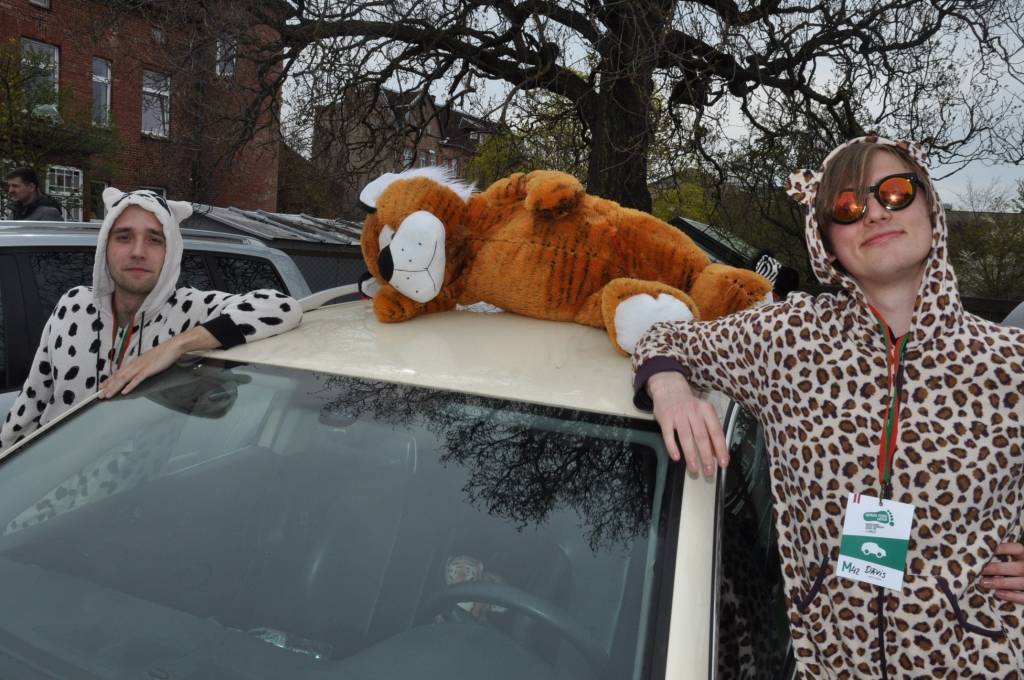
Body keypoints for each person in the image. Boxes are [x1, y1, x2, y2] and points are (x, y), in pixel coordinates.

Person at [631, 136, 1024, 677]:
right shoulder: (790, 339)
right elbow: (662, 337)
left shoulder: (1009, 364)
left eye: (895, 192)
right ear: (826, 241)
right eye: (848, 206)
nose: (875, 213)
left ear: (931, 207)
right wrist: (670, 388)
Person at [0, 187, 302, 451]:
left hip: (127, 493)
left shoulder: (189, 310)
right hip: (43, 483)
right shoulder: (74, 304)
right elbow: (28, 407)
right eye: (124, 237)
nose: (138, 252)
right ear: (105, 246)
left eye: (155, 240)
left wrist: (177, 345)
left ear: (171, 252)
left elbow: (282, 307)